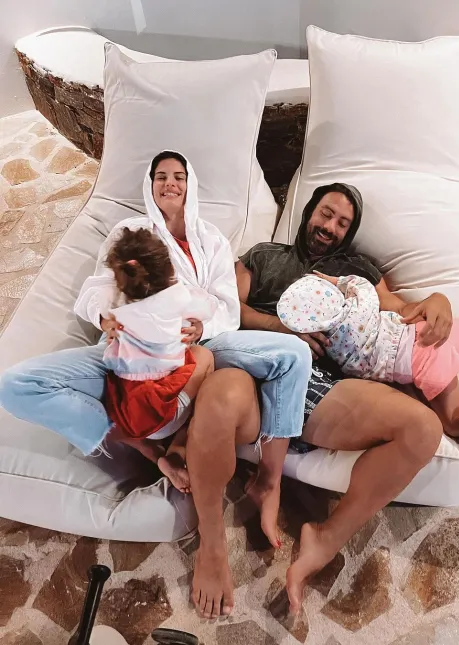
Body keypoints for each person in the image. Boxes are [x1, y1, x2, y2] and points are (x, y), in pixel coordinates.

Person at [186, 182, 449, 619]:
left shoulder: (357, 268)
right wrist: (280, 328)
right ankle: (211, 546)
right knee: (217, 398)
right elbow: (225, 307)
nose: (330, 226)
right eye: (326, 213)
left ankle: (324, 540)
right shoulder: (265, 257)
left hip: (318, 387)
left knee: (424, 429)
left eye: (343, 223)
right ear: (309, 211)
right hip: (252, 371)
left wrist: (437, 300)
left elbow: (398, 309)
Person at [0, 150, 310, 488]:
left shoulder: (213, 240)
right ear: (150, 185)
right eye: (161, 176)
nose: (169, 183)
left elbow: (226, 306)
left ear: (190, 185)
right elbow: (98, 287)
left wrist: (202, 327)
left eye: (178, 177)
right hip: (129, 347)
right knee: (15, 385)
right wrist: (106, 320)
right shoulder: (130, 231)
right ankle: (141, 444)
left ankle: (268, 480)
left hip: (203, 342)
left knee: (294, 352)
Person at [279, 271, 459, 436]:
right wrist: (336, 281)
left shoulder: (334, 346)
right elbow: (360, 283)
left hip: (425, 361)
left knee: (454, 422)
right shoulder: (361, 303)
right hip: (428, 328)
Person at [101, 226, 216, 493]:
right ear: (170, 268)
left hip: (124, 411)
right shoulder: (180, 297)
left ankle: (147, 449)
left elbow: (101, 299)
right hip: (163, 412)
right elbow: (208, 306)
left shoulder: (114, 306)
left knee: (106, 395)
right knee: (205, 357)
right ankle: (179, 444)